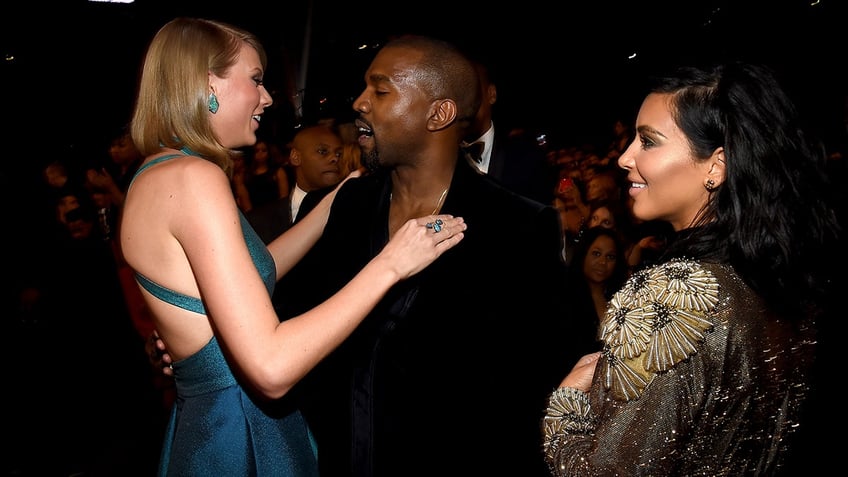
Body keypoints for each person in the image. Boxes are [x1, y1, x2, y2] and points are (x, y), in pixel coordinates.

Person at [121, 18, 465, 476]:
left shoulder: (157, 173)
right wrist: (392, 264)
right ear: (209, 84)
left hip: (206, 426)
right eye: (256, 80)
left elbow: (251, 271)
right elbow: (271, 368)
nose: (266, 98)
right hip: (239, 430)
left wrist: (336, 199)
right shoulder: (193, 179)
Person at [273, 34, 578, 477]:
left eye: (380, 90)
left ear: (439, 113)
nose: (359, 103)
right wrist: (202, 334)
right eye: (364, 89)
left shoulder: (519, 226)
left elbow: (535, 391)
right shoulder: (352, 202)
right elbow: (295, 311)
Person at [541, 62, 841, 476]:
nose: (626, 157)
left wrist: (568, 402)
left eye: (648, 141)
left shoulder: (674, 295)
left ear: (716, 165)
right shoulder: (784, 279)